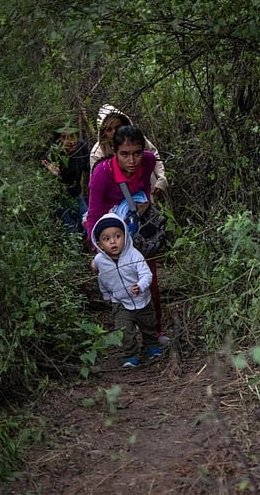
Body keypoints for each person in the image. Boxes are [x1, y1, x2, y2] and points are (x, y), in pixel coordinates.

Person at [86, 125, 168, 339]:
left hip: (139, 232)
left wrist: (143, 204)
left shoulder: (149, 161)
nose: (132, 161)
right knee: (122, 288)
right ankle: (129, 341)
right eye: (125, 154)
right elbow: (93, 213)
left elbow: (145, 187)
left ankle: (155, 335)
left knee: (149, 280)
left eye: (136, 153)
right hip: (113, 236)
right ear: (114, 153)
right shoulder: (102, 174)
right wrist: (98, 251)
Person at [91, 212, 162, 367]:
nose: (113, 242)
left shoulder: (134, 255)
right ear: (99, 244)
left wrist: (141, 286)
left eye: (117, 236)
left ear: (125, 235)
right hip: (120, 302)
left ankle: (152, 347)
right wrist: (106, 296)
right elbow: (102, 278)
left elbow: (146, 274)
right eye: (106, 239)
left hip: (141, 299)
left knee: (148, 325)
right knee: (124, 331)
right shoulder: (100, 261)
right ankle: (131, 355)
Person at [89, 104, 168, 199]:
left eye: (117, 127)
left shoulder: (136, 140)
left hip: (145, 186)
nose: (114, 132)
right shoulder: (97, 153)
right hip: (117, 198)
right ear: (104, 133)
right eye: (109, 129)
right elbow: (96, 184)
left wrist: (161, 178)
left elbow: (154, 156)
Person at [41, 123, 90, 233]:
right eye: (65, 137)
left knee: (88, 224)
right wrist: (52, 174)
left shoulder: (81, 147)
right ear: (59, 140)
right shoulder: (53, 154)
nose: (70, 141)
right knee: (71, 229)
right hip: (60, 198)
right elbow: (43, 180)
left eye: (72, 136)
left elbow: (88, 166)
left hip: (76, 194)